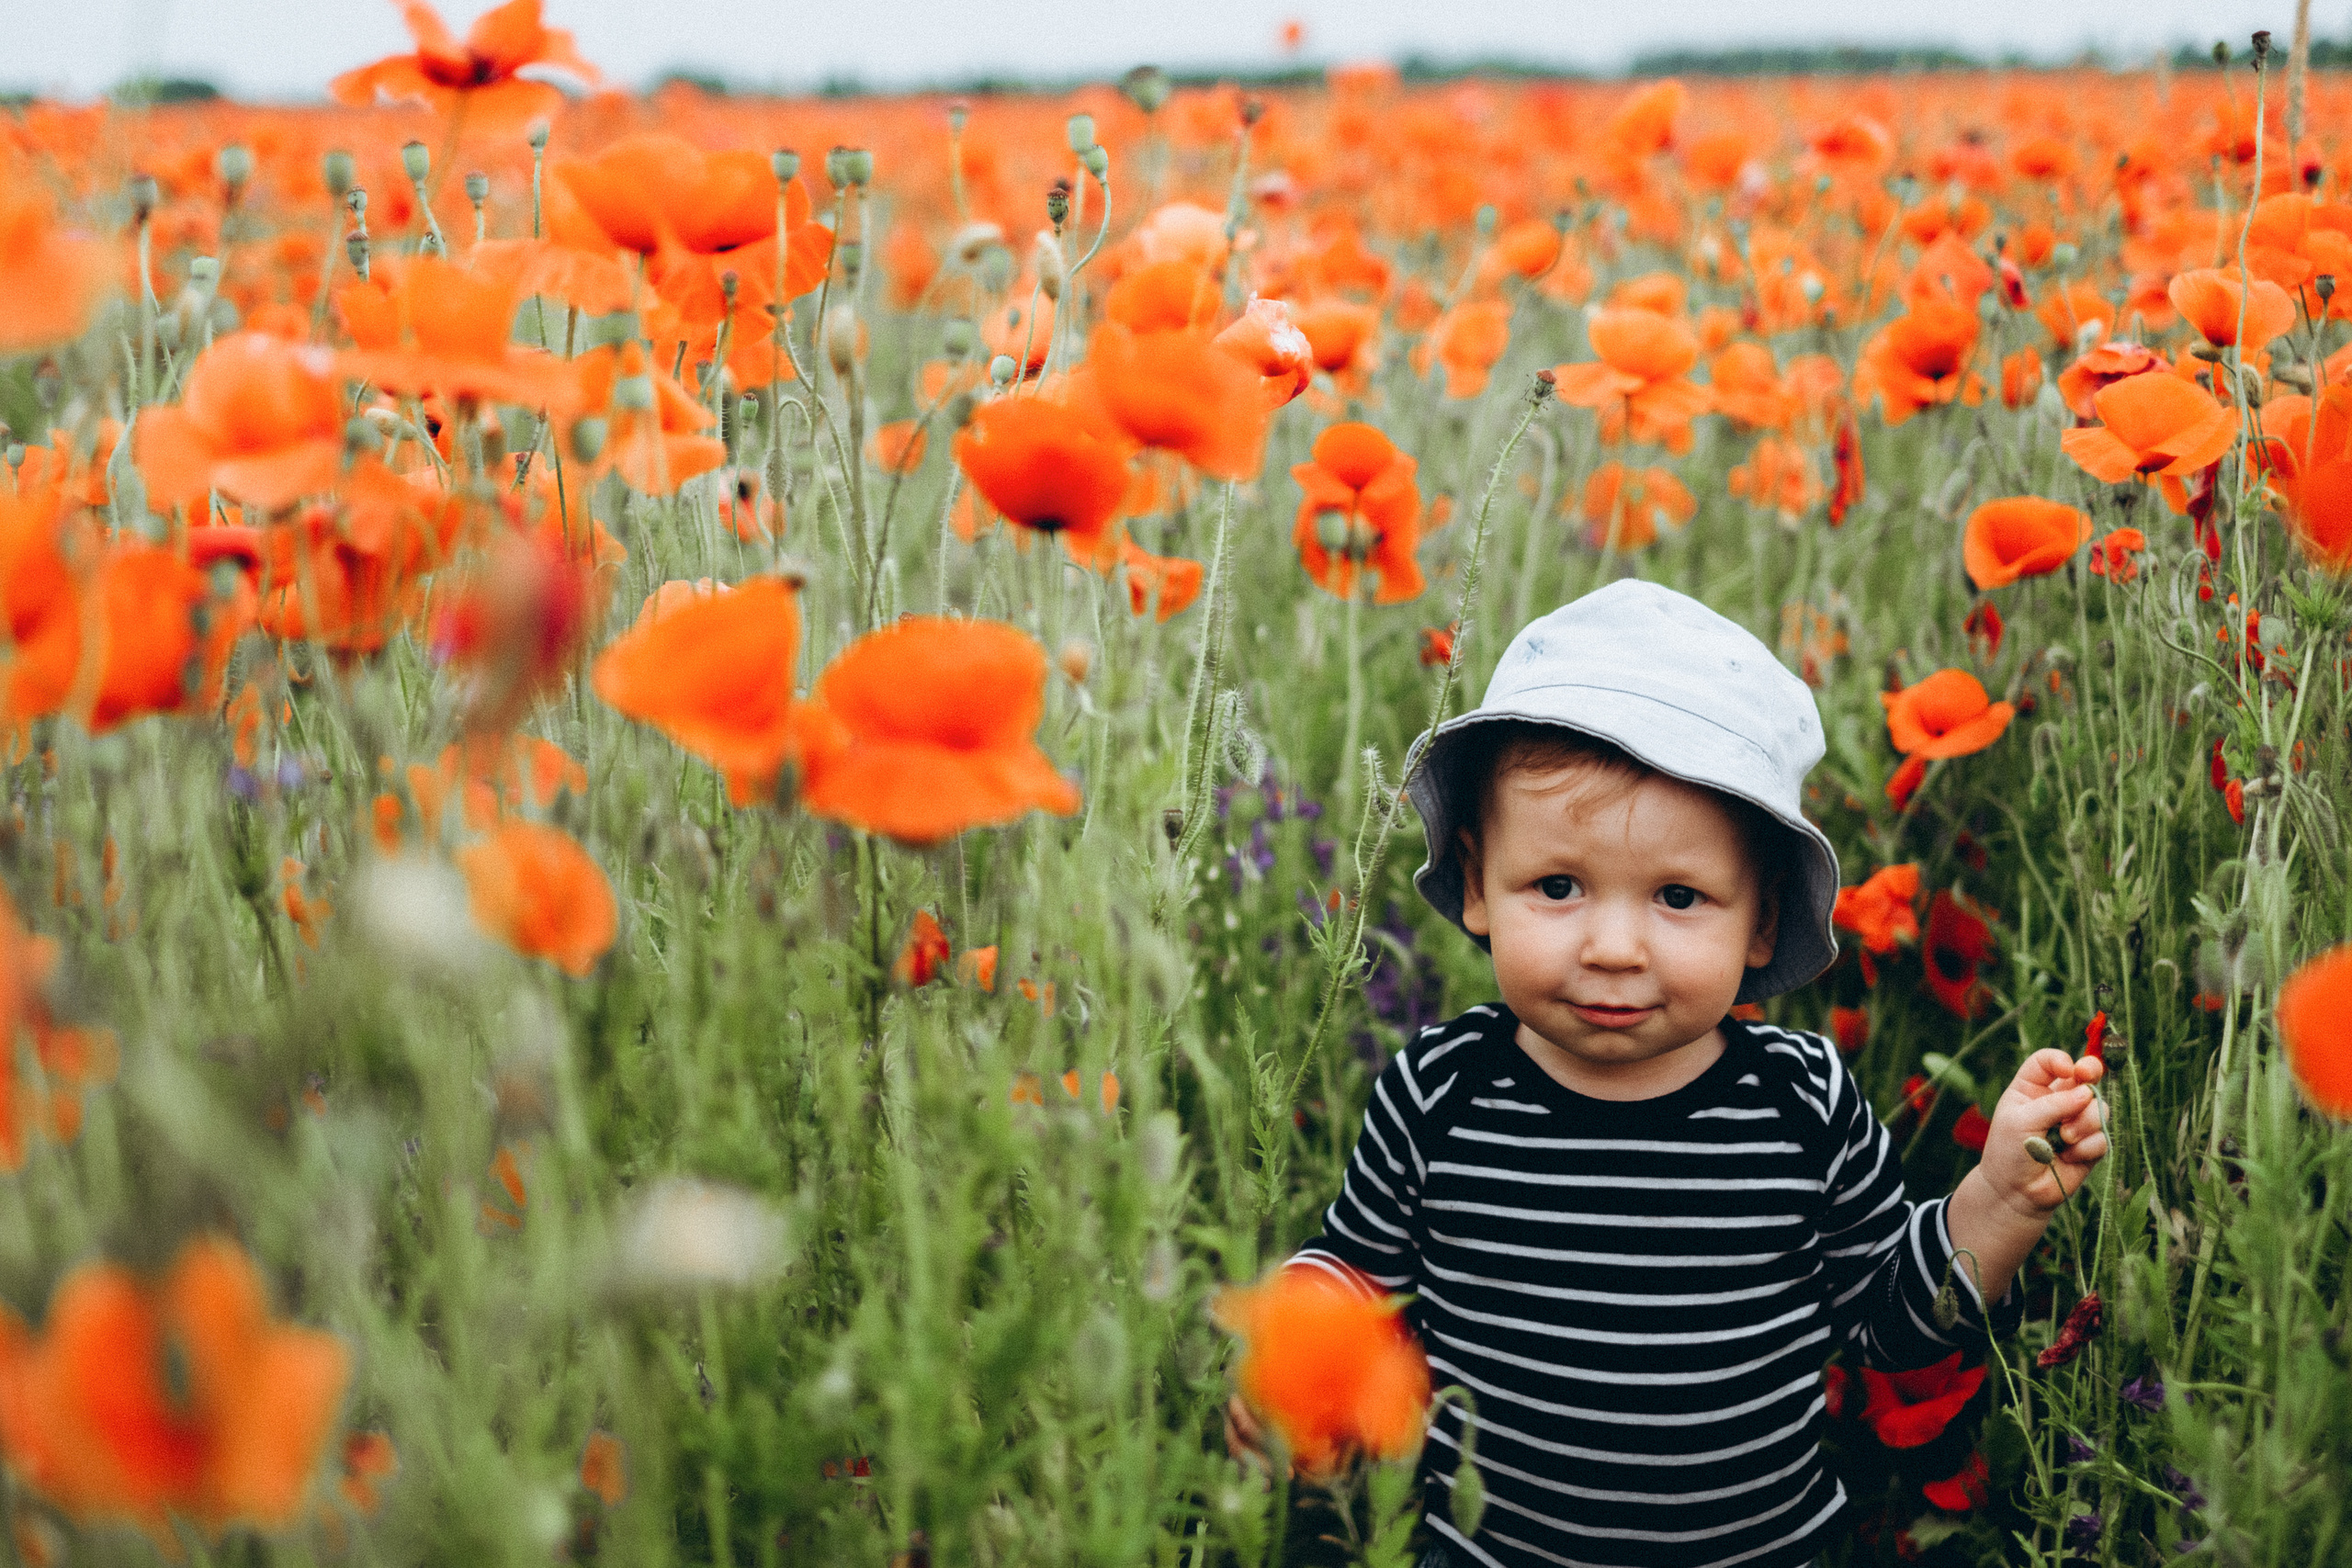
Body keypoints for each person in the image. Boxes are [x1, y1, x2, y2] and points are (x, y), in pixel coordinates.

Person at [1226, 581, 2108, 1568]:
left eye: (1678, 897)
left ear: (1761, 920)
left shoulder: (1800, 1102)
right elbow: (1355, 1274)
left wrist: (1999, 1201)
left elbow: (1888, 1321)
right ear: (1477, 884)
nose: (1613, 947)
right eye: (1557, 885)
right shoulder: (1439, 1093)